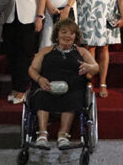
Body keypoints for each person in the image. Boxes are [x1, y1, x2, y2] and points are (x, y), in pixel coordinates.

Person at [27, 18, 100, 149]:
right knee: (40, 95)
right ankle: (42, 134)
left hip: (73, 89)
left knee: (74, 97)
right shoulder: (46, 50)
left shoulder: (82, 52)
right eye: (63, 32)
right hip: (47, 86)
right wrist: (39, 79)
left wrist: (89, 67)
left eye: (71, 33)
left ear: (75, 36)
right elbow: (32, 69)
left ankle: (63, 134)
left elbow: (96, 67)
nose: (67, 35)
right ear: (57, 34)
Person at [3, 0, 46, 104]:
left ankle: (22, 88)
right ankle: (15, 86)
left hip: (28, 15)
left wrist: (40, 16)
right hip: (8, 16)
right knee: (11, 53)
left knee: (25, 53)